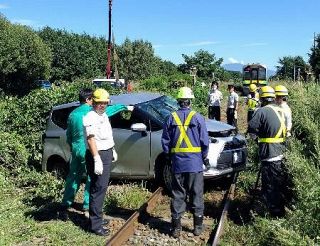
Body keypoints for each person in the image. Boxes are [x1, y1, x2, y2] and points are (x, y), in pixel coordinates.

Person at [60, 88, 127, 221]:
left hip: (75, 149)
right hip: (87, 149)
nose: (96, 103)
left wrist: (73, 148)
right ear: (88, 100)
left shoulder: (73, 114)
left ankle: (65, 204)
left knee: (73, 177)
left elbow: (68, 136)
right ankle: (87, 207)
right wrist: (125, 106)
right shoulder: (90, 112)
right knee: (92, 179)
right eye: (93, 99)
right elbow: (110, 110)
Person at [161, 87, 209, 238]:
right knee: (196, 194)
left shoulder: (170, 118)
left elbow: (165, 142)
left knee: (178, 194)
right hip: (194, 164)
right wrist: (204, 157)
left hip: (178, 164)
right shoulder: (198, 117)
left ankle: (176, 228)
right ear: (190, 101)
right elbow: (204, 141)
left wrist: (169, 157)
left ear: (178, 101)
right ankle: (198, 227)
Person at [248, 86, 287, 217]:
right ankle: (277, 210)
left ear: (263, 99)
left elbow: (252, 130)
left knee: (269, 186)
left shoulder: (262, 111)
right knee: (278, 184)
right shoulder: (281, 110)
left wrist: (254, 140)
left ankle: (272, 214)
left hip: (269, 154)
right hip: (281, 153)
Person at [83, 88, 115, 236]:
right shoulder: (90, 117)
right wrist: (97, 158)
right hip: (98, 154)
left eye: (105, 103)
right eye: (100, 103)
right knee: (98, 189)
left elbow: (107, 136)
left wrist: (112, 149)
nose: (103, 105)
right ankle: (95, 225)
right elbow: (91, 139)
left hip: (106, 152)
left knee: (100, 188)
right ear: (93, 102)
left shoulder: (104, 116)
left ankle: (96, 218)